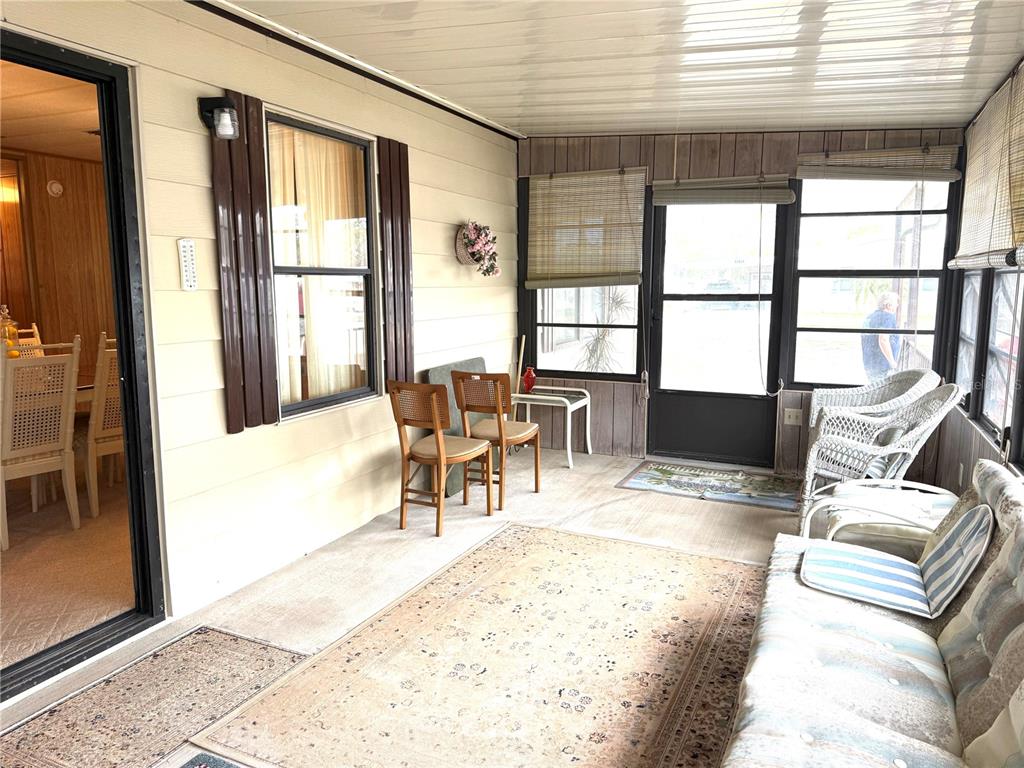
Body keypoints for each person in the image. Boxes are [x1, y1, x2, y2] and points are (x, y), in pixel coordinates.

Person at [861, 291, 901, 381]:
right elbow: (883, 340)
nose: (897, 305)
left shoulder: (870, 317)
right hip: (882, 366)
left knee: (874, 389)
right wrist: (892, 363)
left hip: (869, 364)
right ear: (888, 305)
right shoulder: (888, 317)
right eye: (895, 303)